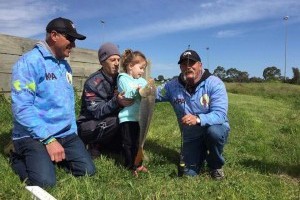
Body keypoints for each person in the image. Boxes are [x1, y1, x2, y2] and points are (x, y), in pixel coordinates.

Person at [10, 17, 96, 188]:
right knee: (45, 183)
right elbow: (22, 108)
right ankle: (16, 154)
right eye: (70, 39)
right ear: (54, 35)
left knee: (88, 171)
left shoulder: (65, 66)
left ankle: (49, 158)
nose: (74, 44)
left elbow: (67, 104)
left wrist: (73, 133)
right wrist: (49, 140)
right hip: (34, 135)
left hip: (65, 134)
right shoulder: (29, 63)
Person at [156, 49, 230, 179]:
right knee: (188, 175)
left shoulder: (215, 83)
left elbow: (220, 114)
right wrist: (135, 91)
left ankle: (215, 165)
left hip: (214, 128)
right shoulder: (172, 86)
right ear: (180, 67)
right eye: (184, 64)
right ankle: (199, 152)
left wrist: (198, 119)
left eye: (192, 63)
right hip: (191, 136)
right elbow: (153, 94)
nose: (188, 66)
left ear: (200, 65)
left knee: (214, 133)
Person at [77, 43, 133, 158]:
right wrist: (116, 101)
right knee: (117, 120)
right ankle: (94, 144)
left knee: (129, 117)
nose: (117, 63)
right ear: (102, 61)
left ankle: (113, 144)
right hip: (90, 123)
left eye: (118, 59)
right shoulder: (92, 83)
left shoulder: (121, 79)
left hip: (110, 120)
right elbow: (96, 112)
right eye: (112, 60)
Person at [117, 49, 150, 176]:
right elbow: (128, 93)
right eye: (141, 68)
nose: (142, 71)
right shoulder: (122, 78)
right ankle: (130, 166)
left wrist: (148, 89)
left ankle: (139, 164)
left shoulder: (141, 81)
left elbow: (148, 90)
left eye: (144, 68)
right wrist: (139, 91)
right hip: (127, 118)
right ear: (130, 66)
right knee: (129, 144)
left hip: (139, 118)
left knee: (138, 143)